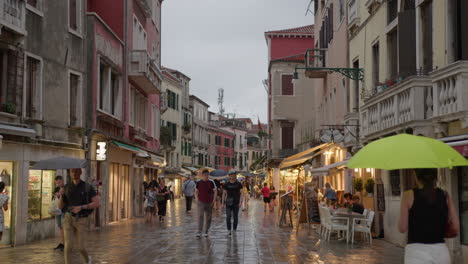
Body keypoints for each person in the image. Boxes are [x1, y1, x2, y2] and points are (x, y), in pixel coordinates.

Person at [399, 169, 459, 264]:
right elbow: (455, 227)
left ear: (416, 176)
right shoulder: (445, 195)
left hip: (416, 253)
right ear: (435, 177)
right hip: (441, 252)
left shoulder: (408, 195)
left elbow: (402, 228)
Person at [58, 168, 100, 264]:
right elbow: (60, 206)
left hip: (81, 219)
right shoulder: (66, 187)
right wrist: (61, 195)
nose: (74, 173)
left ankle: (87, 260)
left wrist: (81, 207)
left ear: (80, 172)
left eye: (76, 171)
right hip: (68, 217)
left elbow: (97, 203)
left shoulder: (87, 187)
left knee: (81, 247)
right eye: (72, 171)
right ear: (69, 173)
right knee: (68, 246)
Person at [195, 169, 217, 238]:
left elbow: (215, 191)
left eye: (207, 175)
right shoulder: (198, 182)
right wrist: (196, 199)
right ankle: (199, 231)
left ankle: (206, 231)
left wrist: (214, 200)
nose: (206, 176)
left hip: (209, 202)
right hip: (201, 201)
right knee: (200, 216)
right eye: (205, 175)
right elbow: (196, 191)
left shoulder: (211, 182)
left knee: (208, 217)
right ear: (202, 175)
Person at [223, 170, 243, 236]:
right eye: (230, 175)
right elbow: (224, 193)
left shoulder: (239, 184)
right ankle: (229, 230)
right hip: (228, 202)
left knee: (235, 217)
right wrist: (222, 202)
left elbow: (241, 193)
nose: (231, 176)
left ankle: (234, 229)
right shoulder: (226, 184)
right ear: (229, 176)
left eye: (233, 175)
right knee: (228, 216)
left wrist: (240, 202)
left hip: (236, 202)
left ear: (235, 175)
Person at [52, 176, 65, 250]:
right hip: (57, 210)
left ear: (62, 180)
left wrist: (61, 195)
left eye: (59, 182)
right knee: (60, 227)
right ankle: (62, 243)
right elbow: (53, 198)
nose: (58, 184)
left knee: (64, 227)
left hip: (64, 210)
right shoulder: (56, 189)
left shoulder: (66, 187)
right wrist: (55, 195)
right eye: (56, 183)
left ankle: (65, 243)